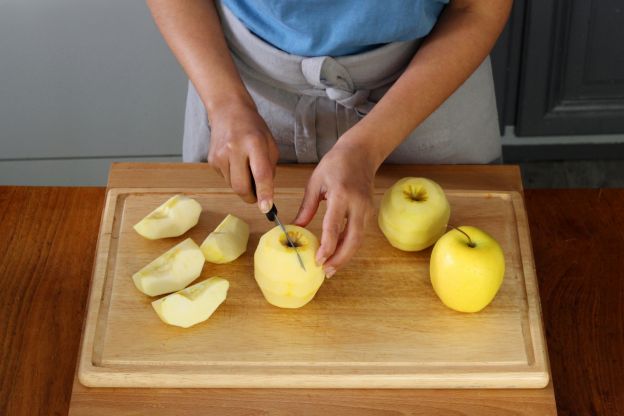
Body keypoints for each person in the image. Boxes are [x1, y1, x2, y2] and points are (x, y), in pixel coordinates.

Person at [147, 0, 512, 277]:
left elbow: (477, 7)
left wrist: (365, 147)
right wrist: (225, 103)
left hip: (428, 78)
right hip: (238, 78)